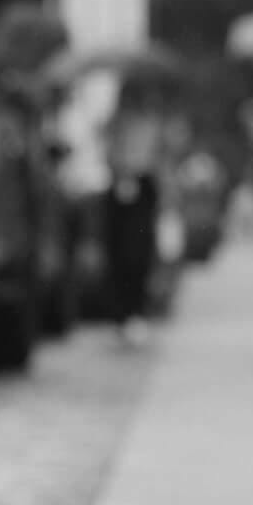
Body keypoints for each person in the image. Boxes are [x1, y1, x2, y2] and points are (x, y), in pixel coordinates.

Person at [100, 102, 160, 344]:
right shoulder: (113, 185)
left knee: (138, 267)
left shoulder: (147, 184)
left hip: (139, 231)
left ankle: (135, 314)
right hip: (120, 231)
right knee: (120, 269)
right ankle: (122, 316)